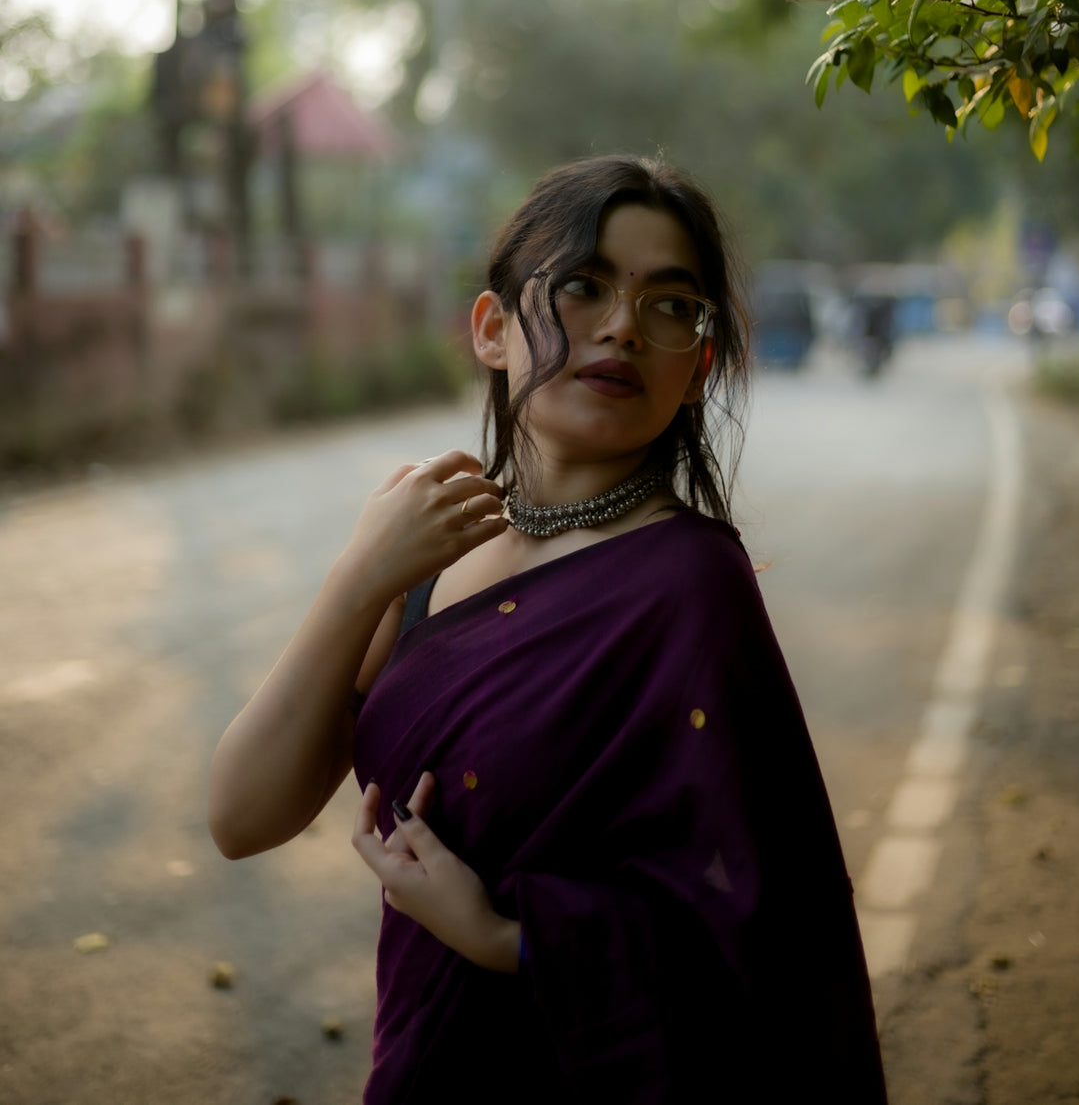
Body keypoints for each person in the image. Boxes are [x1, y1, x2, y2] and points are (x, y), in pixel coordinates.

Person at [208, 155, 889, 1104]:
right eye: (582, 286)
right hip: (424, 1062)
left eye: (670, 305)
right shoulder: (424, 556)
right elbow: (244, 815)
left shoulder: (689, 585)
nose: (621, 325)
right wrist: (357, 576)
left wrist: (505, 937)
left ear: (697, 368)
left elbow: (754, 925)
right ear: (492, 330)